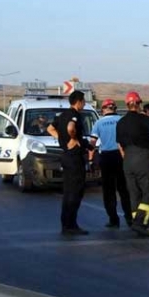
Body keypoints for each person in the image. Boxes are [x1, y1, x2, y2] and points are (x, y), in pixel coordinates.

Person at [47, 90, 94, 236]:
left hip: (66, 156)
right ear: (79, 102)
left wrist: (62, 140)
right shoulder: (74, 115)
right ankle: (71, 225)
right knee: (75, 192)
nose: (84, 103)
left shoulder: (62, 115)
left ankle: (66, 224)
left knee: (68, 192)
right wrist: (72, 139)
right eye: (84, 101)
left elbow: (50, 128)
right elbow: (71, 128)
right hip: (74, 158)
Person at [116, 91, 149, 237]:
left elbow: (120, 145)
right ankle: (141, 223)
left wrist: (126, 158)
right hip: (142, 158)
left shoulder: (121, 122)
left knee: (134, 193)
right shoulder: (143, 120)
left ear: (127, 104)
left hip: (128, 160)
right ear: (138, 104)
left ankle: (136, 221)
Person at [89, 99, 133, 229]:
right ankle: (129, 218)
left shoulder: (98, 122)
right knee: (124, 189)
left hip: (107, 157)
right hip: (122, 156)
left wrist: (91, 159)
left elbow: (92, 142)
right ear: (115, 108)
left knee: (109, 191)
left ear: (103, 110)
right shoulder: (123, 120)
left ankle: (113, 219)